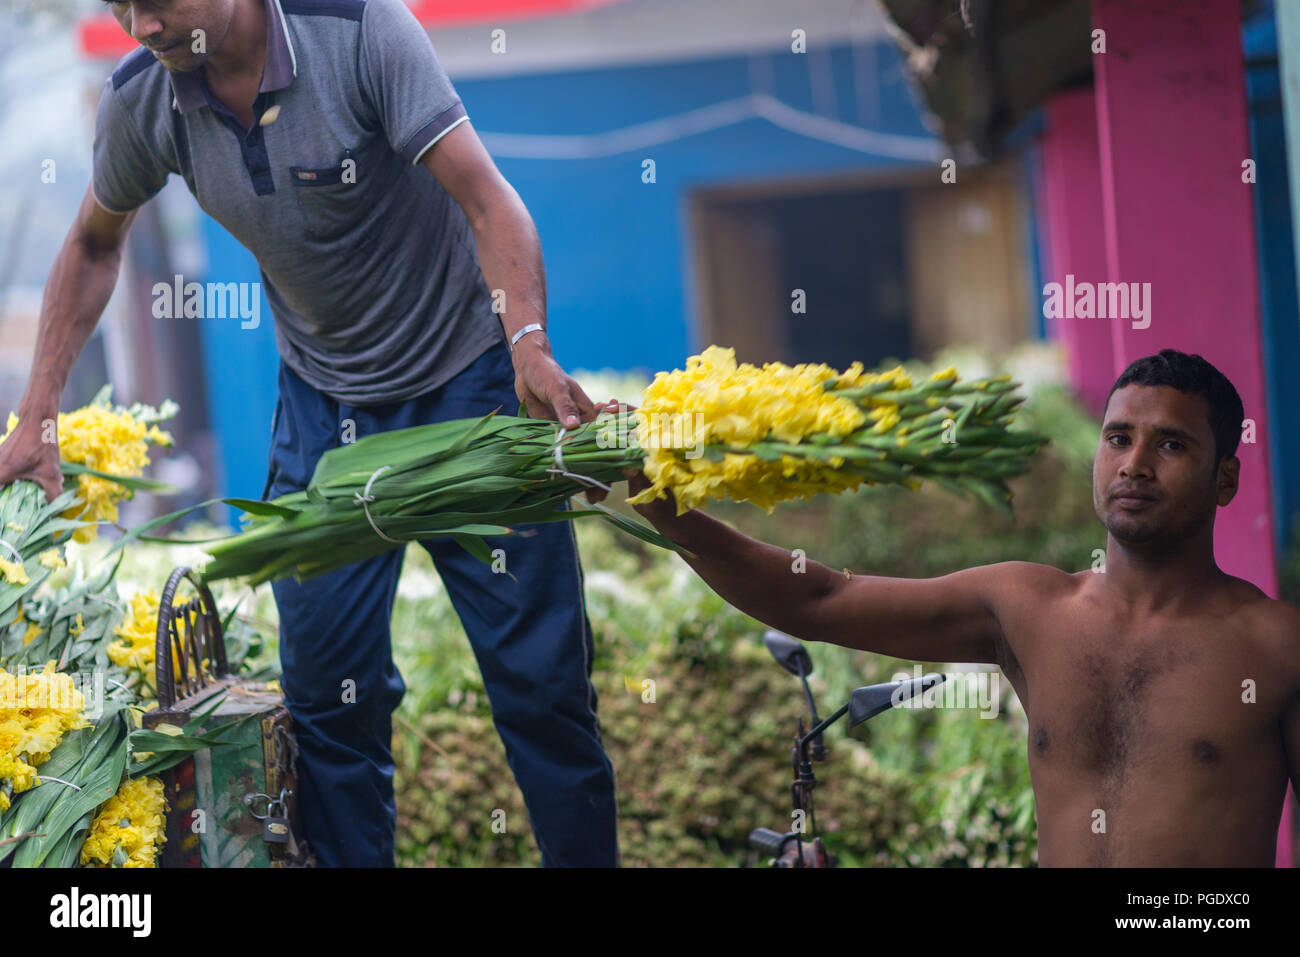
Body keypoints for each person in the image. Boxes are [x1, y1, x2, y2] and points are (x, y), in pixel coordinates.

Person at [0, 0, 620, 866]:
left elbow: (487, 200)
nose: (140, 25)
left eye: (157, 1)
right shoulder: (144, 100)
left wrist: (528, 345)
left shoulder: (363, 34)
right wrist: (38, 414)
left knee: (543, 688)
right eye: (120, 6)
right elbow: (95, 244)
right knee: (331, 700)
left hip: (469, 388)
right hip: (327, 411)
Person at [616, 349, 1300, 866]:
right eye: (1118, 438)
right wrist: (669, 513)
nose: (1135, 463)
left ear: (1226, 477)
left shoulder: (1276, 646)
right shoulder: (1028, 606)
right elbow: (819, 598)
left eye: (1171, 444)